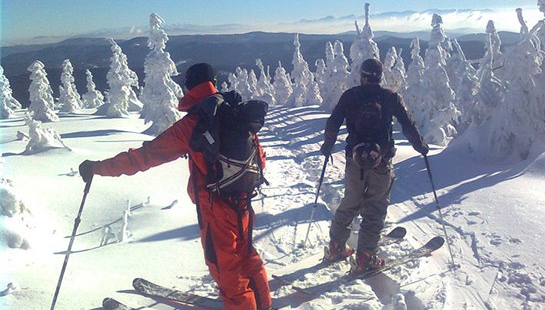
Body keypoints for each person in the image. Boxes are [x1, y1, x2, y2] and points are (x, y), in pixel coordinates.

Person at [79, 63, 273, 310]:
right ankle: (263, 303)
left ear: (189, 87)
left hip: (215, 207)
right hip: (244, 200)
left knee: (226, 268)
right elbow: (260, 158)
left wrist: (97, 167)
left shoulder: (194, 123)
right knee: (246, 254)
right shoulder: (234, 113)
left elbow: (144, 157)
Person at [320, 58, 429, 272]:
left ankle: (335, 247)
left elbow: (333, 122)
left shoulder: (350, 96)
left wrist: (327, 146)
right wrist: (420, 146)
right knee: (375, 209)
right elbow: (408, 124)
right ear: (380, 76)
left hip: (354, 161)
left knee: (350, 202)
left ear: (362, 75)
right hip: (381, 161)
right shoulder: (390, 97)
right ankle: (365, 258)